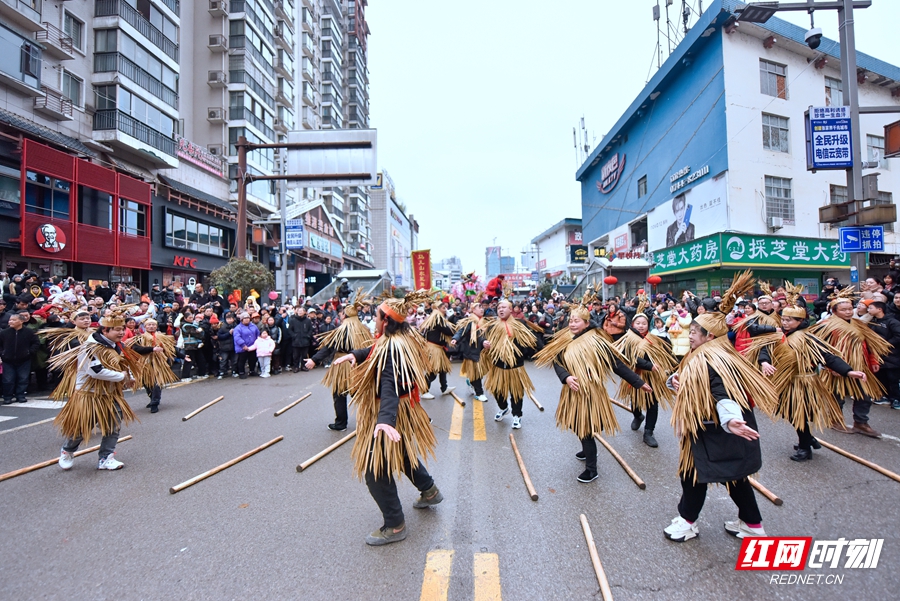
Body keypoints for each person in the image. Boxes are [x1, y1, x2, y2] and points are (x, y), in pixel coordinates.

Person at [663, 271, 777, 542]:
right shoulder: (707, 353)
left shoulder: (713, 358)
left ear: (709, 335)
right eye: (690, 330)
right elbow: (691, 380)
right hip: (717, 431)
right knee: (735, 478)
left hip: (716, 430)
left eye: (694, 332)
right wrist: (674, 380)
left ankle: (687, 522)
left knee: (694, 475)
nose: (690, 335)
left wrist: (730, 420)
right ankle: (752, 525)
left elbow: (722, 392)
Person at [331, 290, 442, 546]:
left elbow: (390, 383)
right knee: (401, 453)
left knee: (375, 467)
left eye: (377, 316)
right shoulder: (400, 338)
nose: (374, 319)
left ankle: (394, 525)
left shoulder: (393, 348)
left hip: (391, 411)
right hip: (403, 409)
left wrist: (385, 421)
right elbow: (374, 350)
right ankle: (429, 490)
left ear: (386, 322)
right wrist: (355, 355)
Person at [533, 296, 649, 483]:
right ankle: (587, 452)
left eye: (576, 320)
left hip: (589, 391)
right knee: (575, 423)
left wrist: (638, 382)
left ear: (587, 323)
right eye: (570, 320)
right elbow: (557, 361)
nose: (572, 323)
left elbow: (616, 364)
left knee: (585, 428)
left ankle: (592, 469)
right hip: (572, 389)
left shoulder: (596, 341)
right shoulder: (565, 339)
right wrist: (566, 377)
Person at [747, 282, 866, 461]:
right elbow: (765, 351)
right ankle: (808, 438)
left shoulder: (807, 338)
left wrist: (848, 372)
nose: (785, 323)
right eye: (784, 319)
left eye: (789, 320)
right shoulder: (778, 335)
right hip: (786, 382)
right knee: (787, 411)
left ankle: (805, 447)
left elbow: (827, 356)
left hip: (804, 382)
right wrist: (764, 362)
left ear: (800, 321)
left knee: (799, 414)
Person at [54, 308, 164, 470]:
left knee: (113, 427)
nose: (121, 332)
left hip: (111, 393)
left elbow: (126, 364)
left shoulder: (118, 346)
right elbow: (95, 371)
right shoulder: (90, 347)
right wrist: (122, 377)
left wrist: (130, 376)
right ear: (105, 330)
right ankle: (67, 451)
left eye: (122, 329)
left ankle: (106, 457)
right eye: (117, 330)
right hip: (90, 394)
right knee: (82, 429)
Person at [810, 287, 888, 437]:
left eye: (849, 308)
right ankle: (835, 420)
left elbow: (868, 343)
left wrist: (872, 360)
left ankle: (861, 422)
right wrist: (829, 367)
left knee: (865, 395)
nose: (848, 312)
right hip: (837, 366)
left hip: (860, 365)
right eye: (843, 309)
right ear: (834, 311)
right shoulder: (825, 326)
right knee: (837, 396)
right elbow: (819, 349)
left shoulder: (858, 324)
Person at [305, 293, 374, 431]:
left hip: (342, 364)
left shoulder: (341, 330)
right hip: (359, 364)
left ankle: (341, 423)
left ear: (344, 315)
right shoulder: (363, 329)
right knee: (359, 394)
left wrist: (314, 359)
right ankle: (369, 420)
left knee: (339, 394)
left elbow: (328, 348)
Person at [614, 298, 676, 448]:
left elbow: (667, 353)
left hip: (653, 377)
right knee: (635, 402)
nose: (641, 326)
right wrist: (649, 365)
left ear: (648, 325)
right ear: (633, 324)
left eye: (644, 323)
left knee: (652, 405)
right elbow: (629, 358)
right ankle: (637, 416)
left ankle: (649, 432)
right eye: (638, 323)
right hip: (635, 376)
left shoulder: (655, 339)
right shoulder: (627, 339)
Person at [482, 299, 544, 429]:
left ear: (511, 310)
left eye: (504, 307)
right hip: (498, 366)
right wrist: (484, 343)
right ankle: (504, 408)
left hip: (515, 366)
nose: (501, 309)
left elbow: (533, 338)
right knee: (497, 391)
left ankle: (517, 415)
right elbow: (483, 338)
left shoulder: (520, 324)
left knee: (516, 392)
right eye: (499, 308)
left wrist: (544, 350)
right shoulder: (492, 325)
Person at [126, 318, 180, 413]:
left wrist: (183, 356)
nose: (151, 326)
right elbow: (136, 349)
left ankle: (155, 402)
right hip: (145, 363)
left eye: (153, 325)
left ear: (156, 326)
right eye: (149, 325)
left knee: (157, 383)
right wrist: (152, 349)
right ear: (145, 326)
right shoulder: (140, 338)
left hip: (160, 363)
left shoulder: (162, 337)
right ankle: (152, 398)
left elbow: (171, 349)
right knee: (147, 383)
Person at [449, 300, 488, 402]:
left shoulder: (484, 321)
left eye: (482, 307)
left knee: (482, 372)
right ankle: (480, 393)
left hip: (483, 352)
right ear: (473, 310)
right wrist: (455, 338)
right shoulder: (469, 321)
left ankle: (470, 381)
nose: (482, 309)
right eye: (479, 307)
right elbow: (461, 331)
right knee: (477, 374)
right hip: (472, 352)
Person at [866, 301, 900, 411]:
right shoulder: (872, 322)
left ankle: (896, 399)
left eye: (870, 308)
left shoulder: (892, 322)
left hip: (892, 355)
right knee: (882, 377)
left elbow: (898, 336)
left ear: (879, 309)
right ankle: (885, 396)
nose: (868, 310)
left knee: (893, 379)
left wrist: (885, 345)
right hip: (877, 355)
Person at [419, 301, 456, 399]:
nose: (445, 310)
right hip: (434, 348)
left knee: (443, 369)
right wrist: (457, 330)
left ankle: (444, 388)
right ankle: (424, 391)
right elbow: (447, 330)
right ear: (437, 309)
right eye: (443, 308)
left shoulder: (435, 317)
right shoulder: (437, 318)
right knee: (433, 371)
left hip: (437, 348)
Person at [0, 313, 40, 404]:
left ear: (21, 321)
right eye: (10, 320)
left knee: (23, 378)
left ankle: (20, 395)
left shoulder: (29, 332)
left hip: (24, 360)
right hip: (8, 360)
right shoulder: (4, 333)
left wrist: (29, 352)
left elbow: (36, 343)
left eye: (14, 320)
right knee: (8, 380)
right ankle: (7, 397)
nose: (11, 322)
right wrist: (2, 354)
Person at [233, 313, 260, 379]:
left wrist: (257, 342)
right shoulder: (238, 328)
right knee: (242, 360)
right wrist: (243, 345)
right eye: (245, 318)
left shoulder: (254, 326)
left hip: (252, 346)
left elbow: (257, 334)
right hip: (243, 347)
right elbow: (237, 337)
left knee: (253, 359)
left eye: (248, 318)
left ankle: (252, 370)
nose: (247, 320)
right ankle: (241, 372)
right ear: (241, 320)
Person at [288, 307, 313, 372]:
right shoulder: (293, 320)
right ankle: (296, 367)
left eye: (301, 311)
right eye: (299, 311)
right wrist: (294, 336)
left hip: (305, 340)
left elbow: (310, 329)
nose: (300, 312)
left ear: (304, 312)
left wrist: (308, 336)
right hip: (296, 340)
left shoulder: (308, 320)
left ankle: (303, 366)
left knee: (304, 355)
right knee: (296, 355)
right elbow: (290, 330)